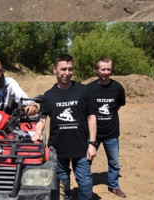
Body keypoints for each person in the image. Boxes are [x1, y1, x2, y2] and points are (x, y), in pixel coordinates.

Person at [33, 55, 97, 200]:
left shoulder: (83, 90)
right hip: (58, 148)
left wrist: (92, 143)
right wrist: (38, 132)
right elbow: (42, 118)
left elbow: (92, 117)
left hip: (82, 146)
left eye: (70, 69)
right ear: (55, 70)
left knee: (86, 185)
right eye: (63, 69)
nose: (67, 73)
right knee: (63, 185)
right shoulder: (49, 95)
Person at [87, 58, 127, 198]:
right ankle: (85, 186)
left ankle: (114, 186)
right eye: (103, 69)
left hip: (111, 133)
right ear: (96, 70)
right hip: (93, 134)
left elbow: (118, 105)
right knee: (86, 161)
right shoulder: (89, 88)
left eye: (108, 69)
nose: (106, 72)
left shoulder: (117, 87)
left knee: (114, 162)